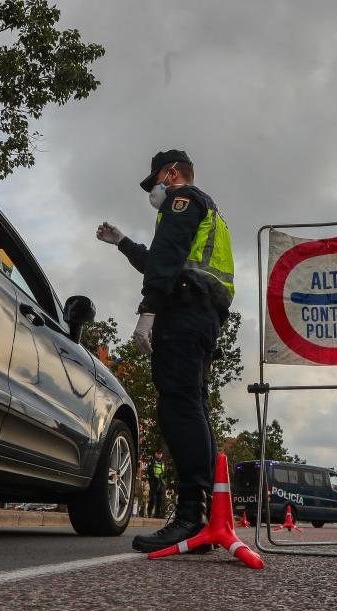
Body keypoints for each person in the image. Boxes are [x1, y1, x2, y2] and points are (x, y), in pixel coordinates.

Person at [96, 149, 234, 553]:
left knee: (177, 406)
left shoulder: (183, 200)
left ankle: (191, 515)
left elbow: (168, 261)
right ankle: (207, 517)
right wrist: (122, 242)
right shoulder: (208, 211)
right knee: (193, 406)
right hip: (203, 318)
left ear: (171, 174)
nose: (152, 191)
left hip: (185, 314)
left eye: (155, 181)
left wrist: (148, 311)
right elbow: (164, 261)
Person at [146, 451, 167, 519]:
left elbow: (165, 472)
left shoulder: (163, 462)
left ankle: (157, 514)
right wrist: (151, 481)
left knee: (160, 500)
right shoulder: (152, 462)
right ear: (155, 454)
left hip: (161, 482)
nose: (159, 455)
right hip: (154, 482)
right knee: (152, 499)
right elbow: (149, 471)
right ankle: (149, 513)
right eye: (158, 453)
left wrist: (162, 477)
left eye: (160, 453)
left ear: (162, 455)